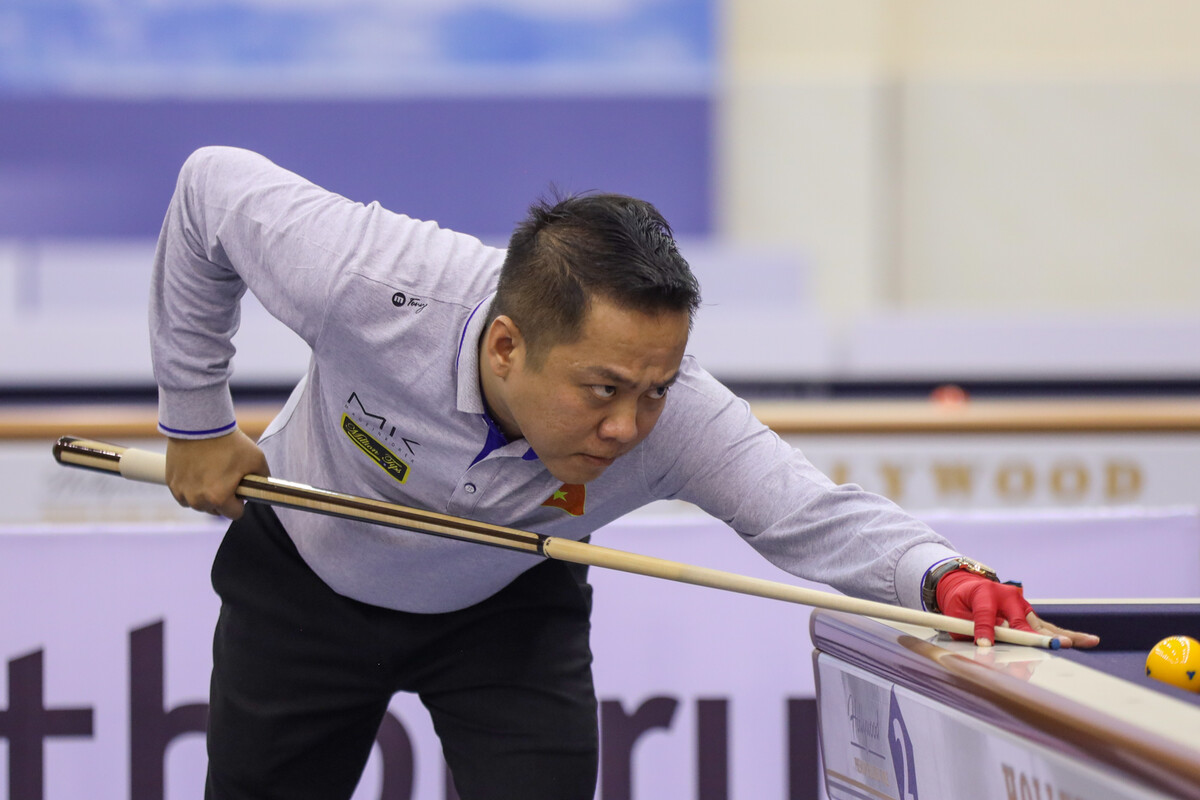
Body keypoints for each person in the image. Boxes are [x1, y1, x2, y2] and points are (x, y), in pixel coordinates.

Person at [151, 146, 1098, 800]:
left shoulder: (671, 419)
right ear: (508, 344)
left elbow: (809, 513)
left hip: (507, 602)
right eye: (602, 388)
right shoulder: (376, 282)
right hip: (307, 579)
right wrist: (194, 418)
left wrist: (948, 577)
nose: (626, 425)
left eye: (652, 388)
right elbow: (209, 191)